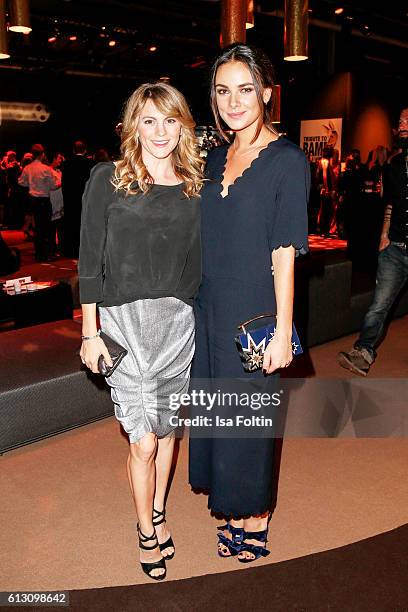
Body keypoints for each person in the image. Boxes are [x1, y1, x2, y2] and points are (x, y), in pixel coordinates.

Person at [189, 44, 309, 562]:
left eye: (244, 89)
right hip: (207, 306)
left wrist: (283, 329)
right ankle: (231, 507)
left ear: (266, 93)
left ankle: (254, 514)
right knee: (219, 417)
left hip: (254, 309)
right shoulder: (214, 158)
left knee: (250, 421)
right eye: (222, 90)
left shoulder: (286, 160)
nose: (233, 101)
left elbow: (285, 249)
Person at [78, 82, 203, 580]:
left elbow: (200, 263)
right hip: (124, 324)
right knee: (143, 441)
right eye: (149, 120)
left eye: (170, 120)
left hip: (177, 325)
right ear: (133, 125)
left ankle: (158, 509)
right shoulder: (107, 179)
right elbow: (89, 257)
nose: (160, 132)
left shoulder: (196, 186)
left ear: (183, 127)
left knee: (168, 430)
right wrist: (90, 330)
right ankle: (145, 526)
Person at [337, 108, 408, 376]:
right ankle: (363, 352)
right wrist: (384, 236)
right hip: (395, 249)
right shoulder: (393, 166)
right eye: (400, 120)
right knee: (379, 304)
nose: (401, 124)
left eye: (407, 120)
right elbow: (390, 204)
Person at [18, 144, 60, 262]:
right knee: (46, 228)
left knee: (37, 228)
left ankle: (39, 254)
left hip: (33, 200)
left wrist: (31, 185)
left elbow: (21, 182)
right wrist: (59, 183)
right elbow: (53, 186)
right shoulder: (45, 169)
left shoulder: (27, 168)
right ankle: (45, 254)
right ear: (42, 155)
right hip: (44, 200)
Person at [62, 140, 93, 258]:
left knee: (71, 225)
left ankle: (71, 250)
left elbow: (64, 183)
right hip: (86, 198)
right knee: (85, 225)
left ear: (73, 150)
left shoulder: (66, 164)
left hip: (70, 199)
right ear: (85, 150)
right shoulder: (90, 163)